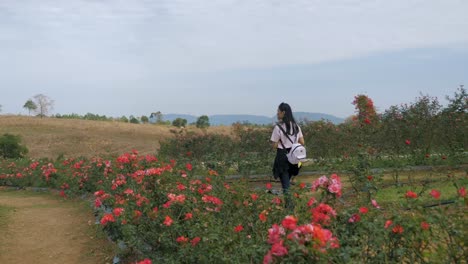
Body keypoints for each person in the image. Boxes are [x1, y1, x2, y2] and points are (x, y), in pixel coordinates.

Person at [270, 102, 305, 209]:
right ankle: (289, 205)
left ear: (283, 112)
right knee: (287, 182)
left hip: (283, 157)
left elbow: (274, 146)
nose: (277, 113)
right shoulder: (296, 127)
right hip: (294, 158)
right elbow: (302, 142)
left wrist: (279, 142)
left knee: (286, 185)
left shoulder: (278, 128)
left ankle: (289, 207)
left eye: (278, 111)